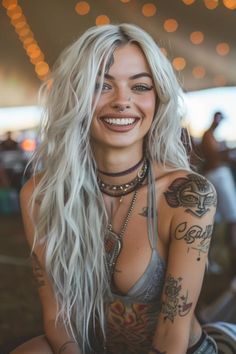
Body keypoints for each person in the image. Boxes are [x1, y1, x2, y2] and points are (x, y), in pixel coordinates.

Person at [12, 24, 218, 354]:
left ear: (157, 98)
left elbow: (172, 335)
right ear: (76, 97)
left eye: (140, 86)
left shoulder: (187, 195)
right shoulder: (40, 196)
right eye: (102, 86)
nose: (123, 101)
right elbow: (57, 317)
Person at [201, 111, 236, 276]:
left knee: (217, 220)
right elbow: (214, 157)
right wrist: (228, 150)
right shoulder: (208, 135)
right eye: (219, 119)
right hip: (218, 176)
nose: (220, 122)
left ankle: (212, 259)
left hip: (219, 175)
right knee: (232, 218)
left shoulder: (212, 135)